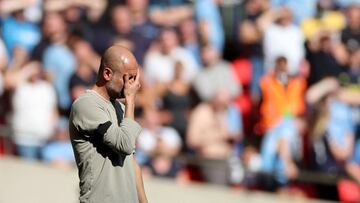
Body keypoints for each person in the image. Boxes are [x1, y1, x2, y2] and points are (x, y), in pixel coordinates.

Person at [69, 45, 148, 203]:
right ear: (107, 74)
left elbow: (132, 163)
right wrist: (131, 100)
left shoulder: (120, 108)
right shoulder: (86, 105)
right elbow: (124, 144)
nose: (133, 86)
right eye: (128, 78)